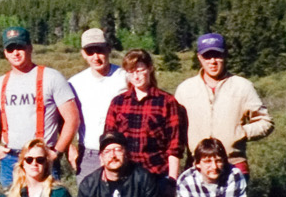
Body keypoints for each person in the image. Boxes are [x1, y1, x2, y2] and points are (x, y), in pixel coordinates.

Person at [0, 27, 80, 189]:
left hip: (42, 159)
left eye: (20, 47)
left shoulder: (52, 78)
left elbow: (72, 118)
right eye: (11, 48)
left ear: (30, 48)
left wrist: (56, 152)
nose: (16, 52)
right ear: (5, 53)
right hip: (11, 160)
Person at [173, 33, 274, 174]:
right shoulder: (185, 89)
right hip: (197, 165)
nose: (212, 61)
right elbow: (175, 128)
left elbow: (266, 122)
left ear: (225, 55)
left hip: (233, 164)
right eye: (207, 56)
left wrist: (242, 132)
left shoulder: (242, 86)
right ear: (199, 58)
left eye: (217, 55)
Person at [104, 49, 187, 183]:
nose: (136, 76)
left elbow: (174, 146)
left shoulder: (167, 102)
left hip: (156, 176)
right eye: (131, 72)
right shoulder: (118, 102)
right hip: (124, 176)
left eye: (140, 70)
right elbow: (108, 142)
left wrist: (172, 182)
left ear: (150, 68)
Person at [67, 27, 128, 180]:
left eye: (100, 50)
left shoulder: (125, 78)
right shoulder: (74, 83)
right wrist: (69, 147)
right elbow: (64, 119)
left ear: (108, 49)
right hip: (88, 154)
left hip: (121, 152)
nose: (96, 57)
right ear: (83, 54)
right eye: (90, 52)